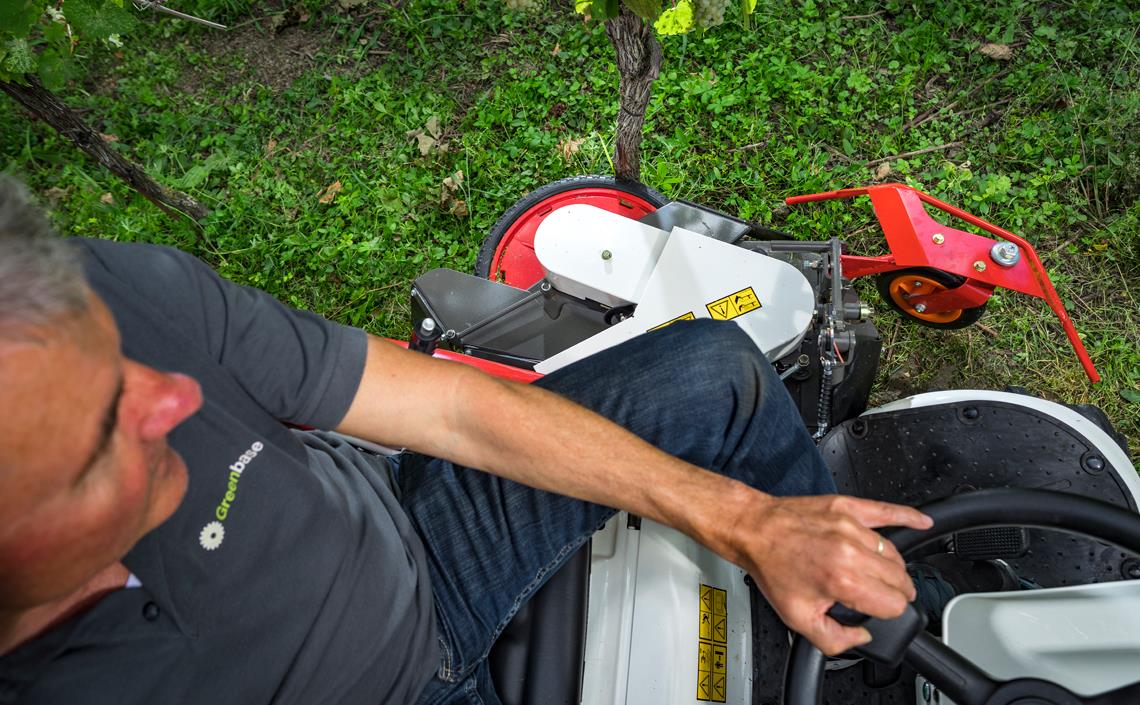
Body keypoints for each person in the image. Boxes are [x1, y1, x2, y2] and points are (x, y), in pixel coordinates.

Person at [0, 175, 930, 705]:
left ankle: (879, 621)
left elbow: (452, 409)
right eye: (99, 432)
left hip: (416, 527)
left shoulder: (115, 293)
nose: (174, 394)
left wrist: (750, 522)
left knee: (709, 370)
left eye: (114, 356)